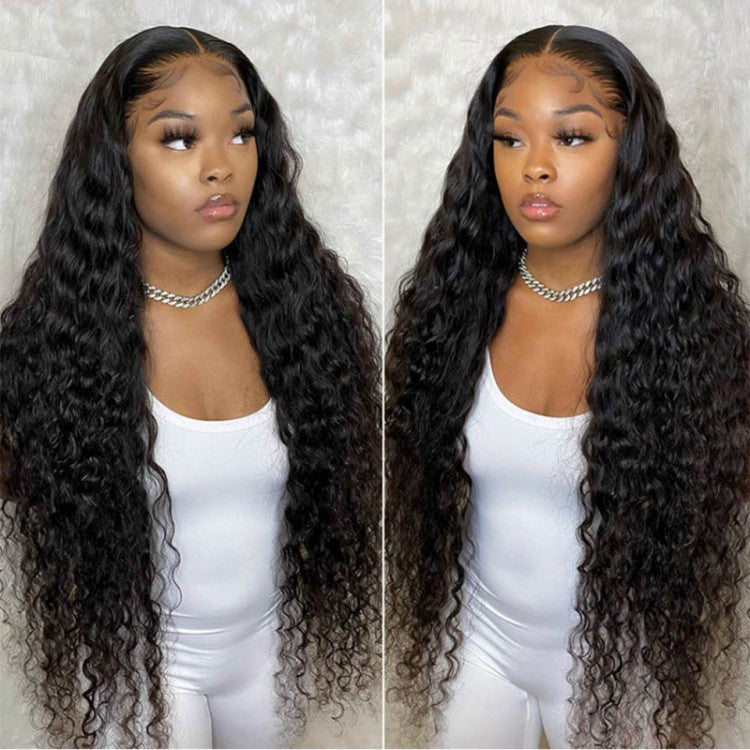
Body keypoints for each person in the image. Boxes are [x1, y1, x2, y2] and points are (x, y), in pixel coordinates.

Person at [0, 25, 381, 749]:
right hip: (141, 674)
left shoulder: (307, 315)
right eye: (179, 139)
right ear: (115, 160)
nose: (220, 167)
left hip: (271, 660)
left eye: (241, 135)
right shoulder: (57, 344)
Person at [385, 24, 750, 749]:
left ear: (631, 153)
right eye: (510, 139)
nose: (535, 168)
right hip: (480, 645)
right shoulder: (450, 308)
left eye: (573, 137)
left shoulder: (692, 335)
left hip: (619, 663)